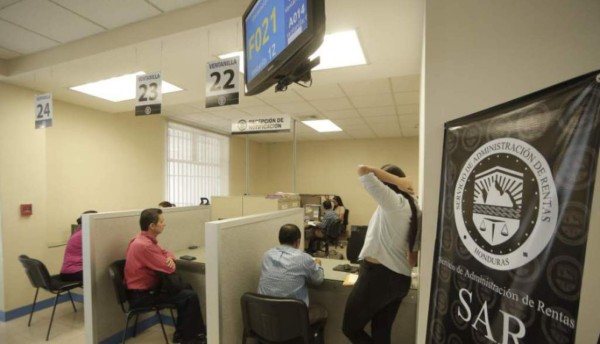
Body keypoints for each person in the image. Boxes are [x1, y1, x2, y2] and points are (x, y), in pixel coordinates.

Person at [342, 164, 419, 344]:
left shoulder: (393, 202)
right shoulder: (413, 204)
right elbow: (412, 257)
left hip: (378, 278)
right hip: (401, 280)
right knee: (381, 332)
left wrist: (398, 181)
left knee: (350, 328)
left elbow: (362, 169)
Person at [124, 208, 206, 344]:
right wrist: (169, 260)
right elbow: (168, 268)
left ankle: (183, 333)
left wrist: (170, 257)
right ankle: (191, 339)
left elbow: (166, 252)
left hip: (145, 290)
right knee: (188, 296)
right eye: (161, 221)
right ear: (152, 226)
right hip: (142, 296)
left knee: (186, 288)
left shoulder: (144, 239)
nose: (164, 224)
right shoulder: (144, 245)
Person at [258, 224, 328, 339]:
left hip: (265, 318)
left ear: (280, 239)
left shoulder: (267, 255)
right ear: (298, 241)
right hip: (292, 321)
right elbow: (318, 280)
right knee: (322, 311)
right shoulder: (304, 258)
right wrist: (318, 265)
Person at [60, 210, 98, 282]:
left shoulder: (79, 230)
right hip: (73, 273)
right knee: (101, 275)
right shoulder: (85, 234)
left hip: (68, 271)